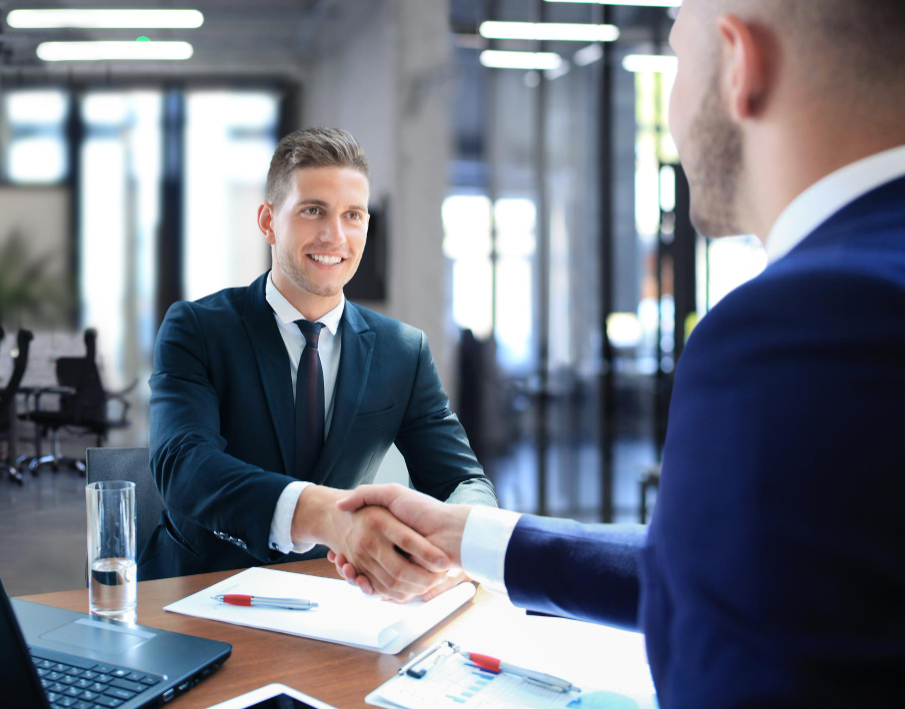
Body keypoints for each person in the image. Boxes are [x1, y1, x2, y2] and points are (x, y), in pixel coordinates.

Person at [329, 1, 905, 705]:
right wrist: (473, 537)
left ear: (739, 66)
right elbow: (773, 574)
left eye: (675, 55)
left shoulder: (798, 325)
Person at [143, 127, 498, 599]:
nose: (335, 235)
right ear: (268, 221)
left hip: (336, 597)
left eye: (353, 215)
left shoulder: (402, 350)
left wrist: (453, 551)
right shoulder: (197, 328)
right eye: (314, 211)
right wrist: (329, 517)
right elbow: (183, 465)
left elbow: (464, 481)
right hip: (197, 589)